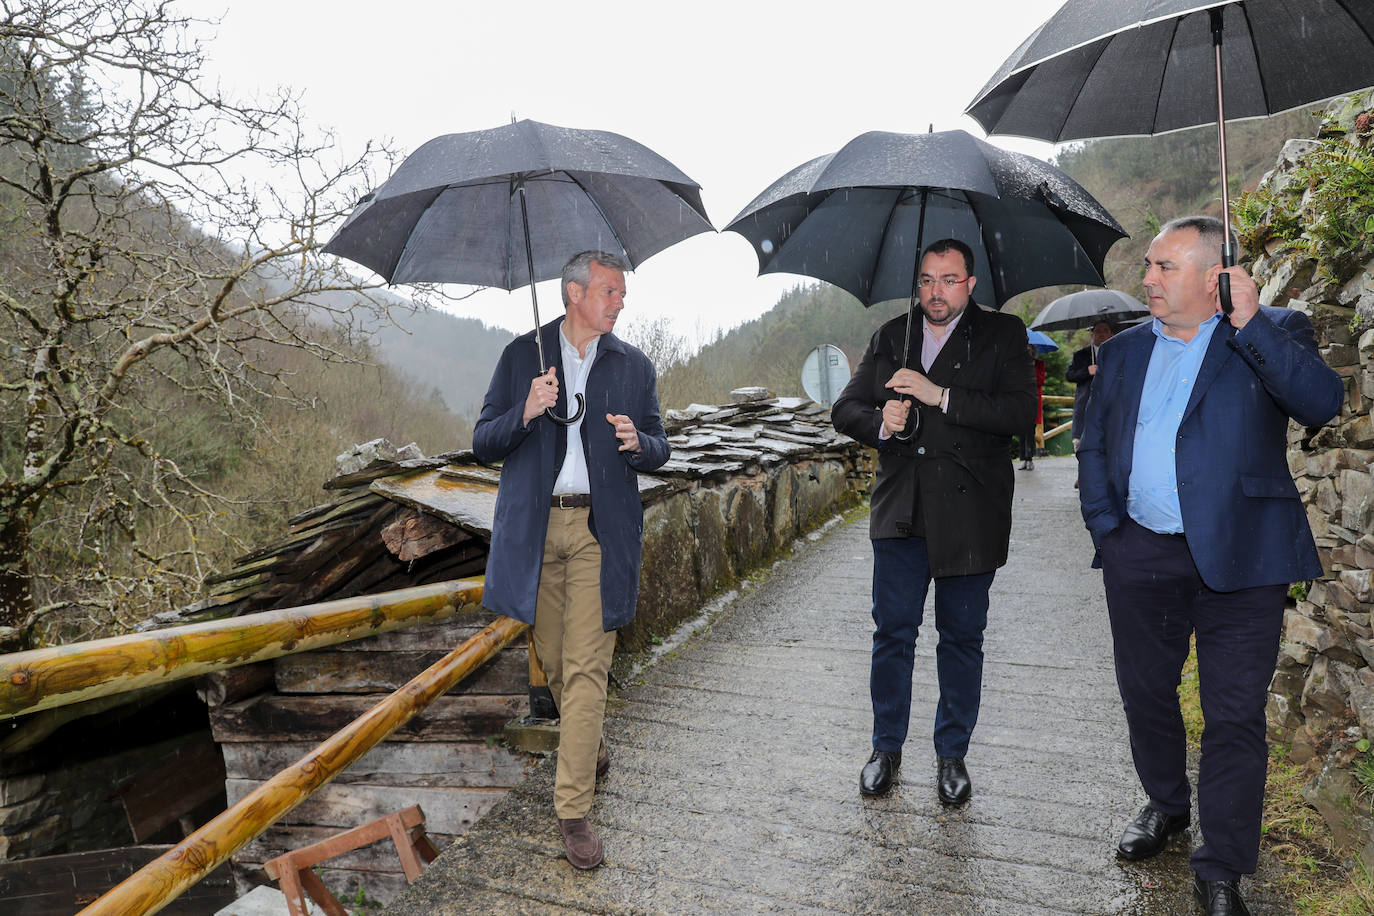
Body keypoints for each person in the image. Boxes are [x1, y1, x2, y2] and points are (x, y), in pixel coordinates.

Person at [1077, 216, 1343, 916]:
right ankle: (1167, 806)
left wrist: (1251, 322)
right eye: (1151, 267)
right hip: (1142, 553)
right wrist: (1109, 530)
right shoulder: (1127, 350)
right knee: (1145, 693)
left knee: (1233, 715)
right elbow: (1093, 443)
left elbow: (1321, 403)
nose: (1148, 279)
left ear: (1210, 275)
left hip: (1244, 555)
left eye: (1163, 267)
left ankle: (1221, 864)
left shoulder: (1276, 327)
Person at [473, 250, 670, 870]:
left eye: (621, 293)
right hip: (535, 530)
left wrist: (641, 444)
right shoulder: (519, 357)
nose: (620, 301)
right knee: (557, 662)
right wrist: (526, 410)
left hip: (598, 532)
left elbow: (660, 445)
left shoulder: (633, 365)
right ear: (574, 293)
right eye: (610, 291)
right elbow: (483, 443)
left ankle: (572, 809)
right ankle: (591, 747)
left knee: (586, 670)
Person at [832, 238, 1036, 806]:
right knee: (892, 636)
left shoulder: (1003, 335)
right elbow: (844, 409)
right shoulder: (892, 335)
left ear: (971, 284)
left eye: (948, 279)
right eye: (926, 279)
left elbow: (1019, 416)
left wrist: (938, 394)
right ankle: (885, 748)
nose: (935, 291)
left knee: (961, 639)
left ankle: (952, 754)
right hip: (901, 511)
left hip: (972, 514)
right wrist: (884, 421)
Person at [1066, 319, 1116, 452]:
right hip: (1085, 409)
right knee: (1084, 451)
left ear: (1111, 334)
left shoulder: (1118, 353)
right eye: (1098, 331)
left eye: (1105, 331)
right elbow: (1070, 376)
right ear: (1092, 334)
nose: (1101, 334)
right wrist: (1087, 371)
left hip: (1111, 408)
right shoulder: (1080, 355)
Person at [1018, 345, 1046, 470]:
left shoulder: (1039, 364)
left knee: (1030, 429)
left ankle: (1030, 458)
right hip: (1021, 399)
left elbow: (1039, 381)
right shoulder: (1019, 364)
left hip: (1034, 399)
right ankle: (1023, 458)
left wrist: (1032, 366)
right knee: (1021, 429)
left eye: (1031, 350)